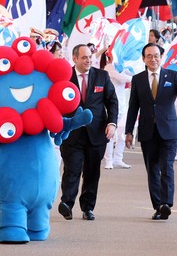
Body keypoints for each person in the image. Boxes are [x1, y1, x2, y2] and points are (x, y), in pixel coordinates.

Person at [125, 43, 177, 220]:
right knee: (152, 170)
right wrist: (129, 131)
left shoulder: (172, 75)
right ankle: (157, 206)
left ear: (161, 57)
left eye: (156, 55)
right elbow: (133, 107)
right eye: (149, 56)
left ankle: (166, 204)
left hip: (169, 131)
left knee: (167, 167)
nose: (153, 59)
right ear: (144, 59)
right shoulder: (138, 79)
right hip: (148, 132)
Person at [57, 44, 118, 221]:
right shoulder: (64, 77)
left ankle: (88, 207)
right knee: (72, 169)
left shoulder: (102, 76)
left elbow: (112, 101)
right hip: (71, 133)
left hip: (96, 133)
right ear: (74, 58)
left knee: (92, 172)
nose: (88, 60)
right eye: (84, 57)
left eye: (90, 57)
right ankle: (67, 203)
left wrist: (112, 123)